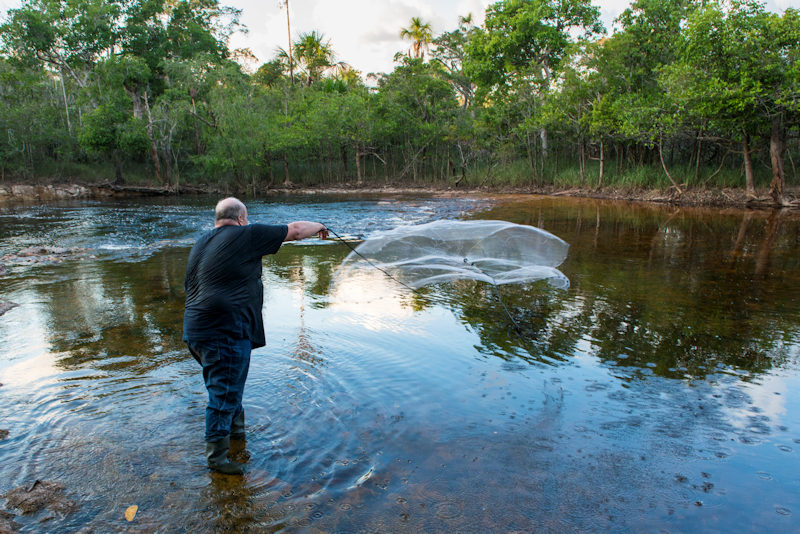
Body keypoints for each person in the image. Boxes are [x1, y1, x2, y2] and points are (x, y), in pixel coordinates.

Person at [183, 197, 328, 474]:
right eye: (246, 219)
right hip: (223, 331)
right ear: (240, 219)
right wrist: (322, 225)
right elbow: (296, 230)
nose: (247, 223)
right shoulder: (245, 235)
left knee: (227, 386)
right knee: (223, 394)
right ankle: (218, 461)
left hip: (196, 332)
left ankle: (236, 437)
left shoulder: (202, 242)